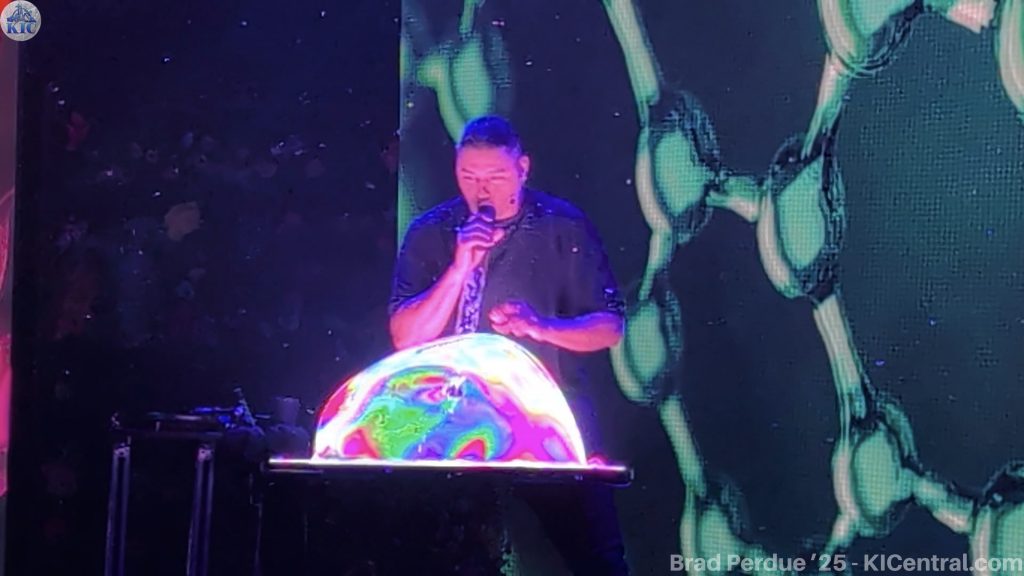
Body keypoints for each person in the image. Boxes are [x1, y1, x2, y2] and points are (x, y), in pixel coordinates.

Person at [388, 115, 630, 575]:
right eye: (468, 176)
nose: (481, 191)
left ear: (522, 169)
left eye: (496, 177)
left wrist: (540, 327)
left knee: (595, 557)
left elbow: (609, 327)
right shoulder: (432, 232)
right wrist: (459, 267)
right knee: (442, 554)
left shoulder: (561, 227)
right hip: (451, 428)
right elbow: (405, 337)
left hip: (546, 424)